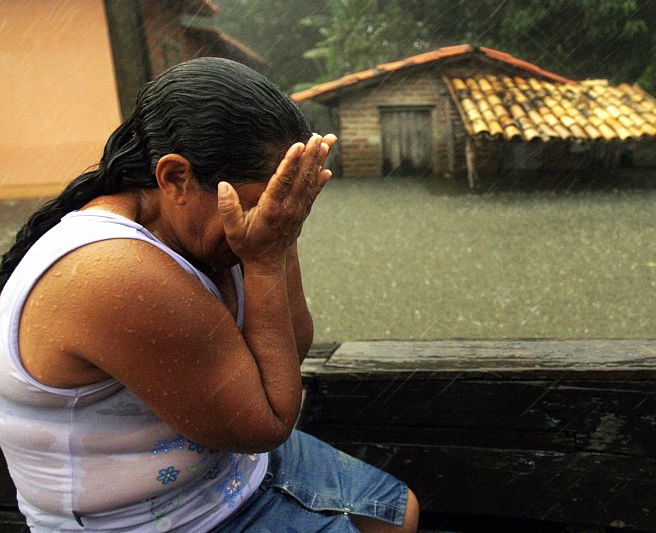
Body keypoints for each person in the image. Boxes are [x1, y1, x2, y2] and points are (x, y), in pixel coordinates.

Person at [0, 58, 419, 533]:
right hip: (151, 519)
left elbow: (290, 348)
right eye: (263, 206)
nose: (267, 222)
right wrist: (265, 258)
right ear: (176, 178)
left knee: (398, 514)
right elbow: (268, 423)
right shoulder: (116, 272)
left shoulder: (202, 226)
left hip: (224, 476)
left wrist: (283, 233)